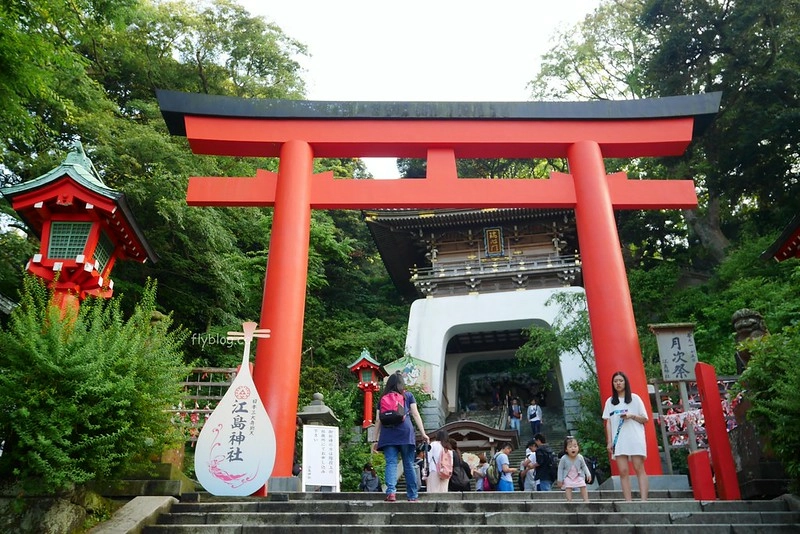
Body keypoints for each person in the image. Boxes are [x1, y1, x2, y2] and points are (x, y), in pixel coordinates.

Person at [373, 371, 430, 502]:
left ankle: (391, 492)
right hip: (405, 433)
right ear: (401, 384)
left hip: (388, 434)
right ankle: (412, 495)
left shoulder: (382, 398)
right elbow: (415, 414)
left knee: (391, 463)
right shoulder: (408, 396)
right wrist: (423, 433)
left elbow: (378, 420)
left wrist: (375, 439)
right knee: (409, 464)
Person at [602, 370, 649, 501]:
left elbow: (645, 419)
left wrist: (631, 416)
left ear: (625, 382)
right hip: (619, 440)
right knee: (622, 470)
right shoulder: (610, 402)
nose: (618, 383)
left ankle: (644, 500)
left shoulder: (635, 399)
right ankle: (628, 501)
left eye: (620, 381)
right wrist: (609, 441)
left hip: (635, 437)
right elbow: (609, 422)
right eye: (615, 381)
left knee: (638, 467)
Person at [556, 437, 592, 502]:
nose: (573, 448)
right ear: (566, 449)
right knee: (568, 487)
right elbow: (560, 469)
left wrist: (588, 474)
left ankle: (586, 499)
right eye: (570, 447)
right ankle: (569, 500)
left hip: (578, 475)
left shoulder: (580, 457)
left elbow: (584, 466)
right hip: (568, 476)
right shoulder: (564, 458)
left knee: (583, 485)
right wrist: (559, 480)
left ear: (578, 447)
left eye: (575, 446)